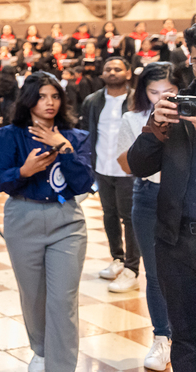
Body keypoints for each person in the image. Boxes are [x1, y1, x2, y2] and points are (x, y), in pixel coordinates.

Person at [0, 72, 93, 372]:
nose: (50, 102)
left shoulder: (75, 136)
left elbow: (84, 183)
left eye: (55, 96)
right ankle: (42, 351)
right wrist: (24, 171)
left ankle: (61, 367)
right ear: (29, 99)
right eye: (43, 96)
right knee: (33, 296)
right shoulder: (9, 135)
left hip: (66, 221)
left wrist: (64, 148)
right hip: (23, 218)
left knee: (63, 300)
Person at [127, 23, 196, 372]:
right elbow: (139, 165)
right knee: (184, 339)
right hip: (178, 239)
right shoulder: (179, 104)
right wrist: (155, 126)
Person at [115, 62, 180, 371]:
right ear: (143, 92)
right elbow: (125, 163)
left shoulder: (189, 115)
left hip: (184, 194)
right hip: (148, 194)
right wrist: (152, 136)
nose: (162, 98)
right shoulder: (133, 118)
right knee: (154, 272)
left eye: (169, 91)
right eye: (154, 92)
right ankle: (162, 337)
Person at [77, 56, 137, 291]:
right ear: (102, 74)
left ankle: (132, 268)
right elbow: (85, 133)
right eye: (108, 69)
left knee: (129, 218)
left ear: (128, 73)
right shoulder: (92, 101)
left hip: (129, 170)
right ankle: (117, 259)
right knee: (109, 215)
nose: (112, 72)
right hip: (102, 167)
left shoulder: (136, 100)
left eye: (118, 69)